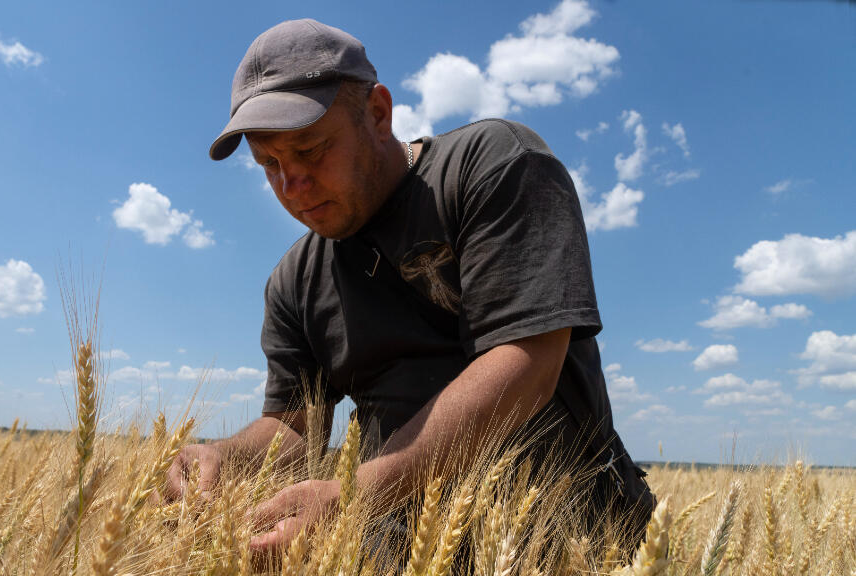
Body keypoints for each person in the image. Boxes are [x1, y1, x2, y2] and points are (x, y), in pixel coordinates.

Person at [167, 18, 654, 561]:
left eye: (309, 150)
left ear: (377, 113)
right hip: (403, 557)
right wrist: (222, 457)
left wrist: (354, 496)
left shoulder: (490, 166)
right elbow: (295, 428)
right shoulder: (293, 282)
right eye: (270, 164)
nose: (291, 185)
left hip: (573, 544)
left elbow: (527, 363)